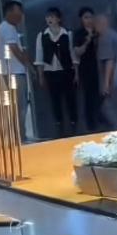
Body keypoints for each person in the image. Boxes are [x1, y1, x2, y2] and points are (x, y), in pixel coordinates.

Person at [34, 7, 79, 137]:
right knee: (55, 100)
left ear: (58, 19)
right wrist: (41, 75)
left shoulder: (67, 34)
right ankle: (59, 127)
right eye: (48, 17)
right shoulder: (42, 35)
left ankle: (74, 125)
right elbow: (39, 56)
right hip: (50, 72)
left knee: (70, 99)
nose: (50, 19)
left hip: (66, 71)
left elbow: (73, 55)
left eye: (53, 17)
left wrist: (76, 73)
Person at [0, 1, 34, 141]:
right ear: (9, 12)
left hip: (10, 72)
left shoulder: (6, 27)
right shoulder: (8, 28)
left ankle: (19, 135)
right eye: (18, 12)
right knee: (20, 106)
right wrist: (28, 65)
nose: (21, 15)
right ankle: (20, 137)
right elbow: (14, 49)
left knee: (16, 106)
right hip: (14, 73)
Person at [73, 7, 101, 132]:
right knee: (89, 97)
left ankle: (101, 122)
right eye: (86, 17)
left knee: (100, 96)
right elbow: (77, 52)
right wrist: (87, 40)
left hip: (99, 68)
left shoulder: (98, 31)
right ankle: (91, 126)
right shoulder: (79, 33)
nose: (89, 20)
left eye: (90, 17)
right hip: (86, 69)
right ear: (81, 19)